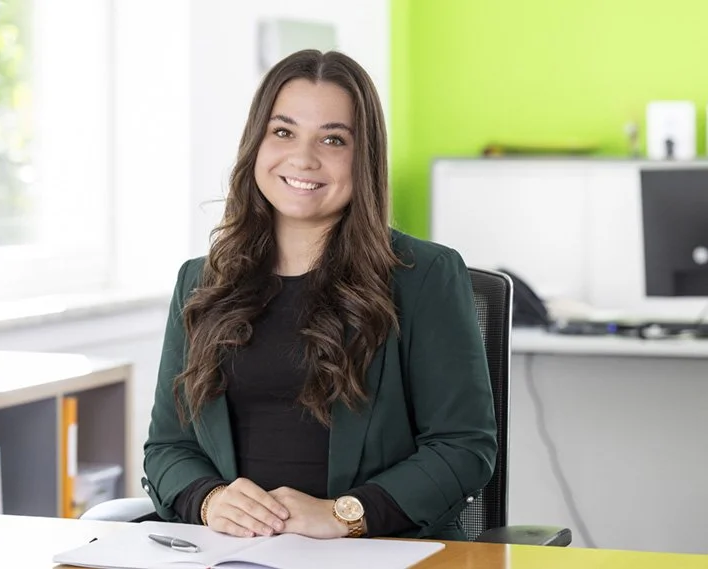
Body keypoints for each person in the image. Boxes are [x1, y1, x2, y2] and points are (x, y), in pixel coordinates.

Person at [142, 49, 497, 541]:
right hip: (229, 553)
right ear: (256, 144)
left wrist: (343, 514)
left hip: (374, 551)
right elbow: (167, 447)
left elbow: (463, 448)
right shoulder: (202, 282)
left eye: (333, 139)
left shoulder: (425, 276)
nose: (303, 159)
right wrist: (209, 501)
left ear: (363, 157)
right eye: (283, 132)